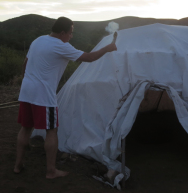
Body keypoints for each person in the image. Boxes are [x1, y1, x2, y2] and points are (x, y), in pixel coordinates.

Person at [14, 16, 117, 179]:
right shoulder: (61, 46)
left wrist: (25, 81)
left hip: (27, 91)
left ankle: (18, 165)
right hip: (43, 94)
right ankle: (51, 171)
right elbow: (89, 58)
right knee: (51, 130)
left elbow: (26, 63)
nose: (71, 36)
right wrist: (108, 48)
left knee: (26, 127)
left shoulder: (38, 40)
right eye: (70, 33)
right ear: (62, 33)